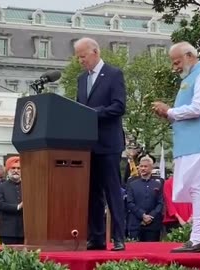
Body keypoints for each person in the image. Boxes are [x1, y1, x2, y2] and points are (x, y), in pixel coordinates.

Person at [152, 41, 200, 253]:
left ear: (190, 56)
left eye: (177, 62)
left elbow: (198, 108)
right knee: (197, 190)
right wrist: (169, 114)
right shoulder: (192, 77)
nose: (174, 67)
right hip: (193, 143)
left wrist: (170, 111)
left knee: (199, 189)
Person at [74, 37, 126, 251]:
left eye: (83, 56)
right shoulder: (80, 79)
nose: (80, 61)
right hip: (88, 145)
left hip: (109, 144)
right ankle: (95, 237)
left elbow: (119, 106)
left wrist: (92, 114)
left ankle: (119, 237)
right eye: (78, 57)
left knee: (112, 191)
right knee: (92, 194)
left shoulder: (114, 74)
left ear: (94, 52)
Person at [0, 156, 24, 244]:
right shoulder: (1, 187)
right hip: (7, 232)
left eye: (19, 168)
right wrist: (17, 207)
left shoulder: (28, 186)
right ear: (8, 170)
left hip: (25, 231)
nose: (16, 170)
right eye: (13, 168)